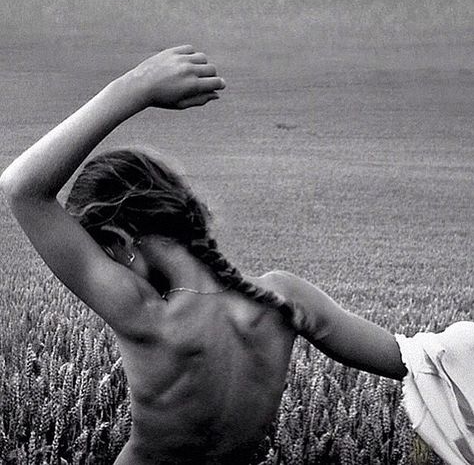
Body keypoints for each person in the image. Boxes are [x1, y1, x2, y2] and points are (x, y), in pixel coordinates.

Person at [0, 45, 470, 464]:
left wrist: (132, 88)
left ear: (122, 243)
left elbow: (22, 189)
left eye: (101, 254)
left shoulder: (144, 314)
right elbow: (413, 359)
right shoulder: (286, 301)